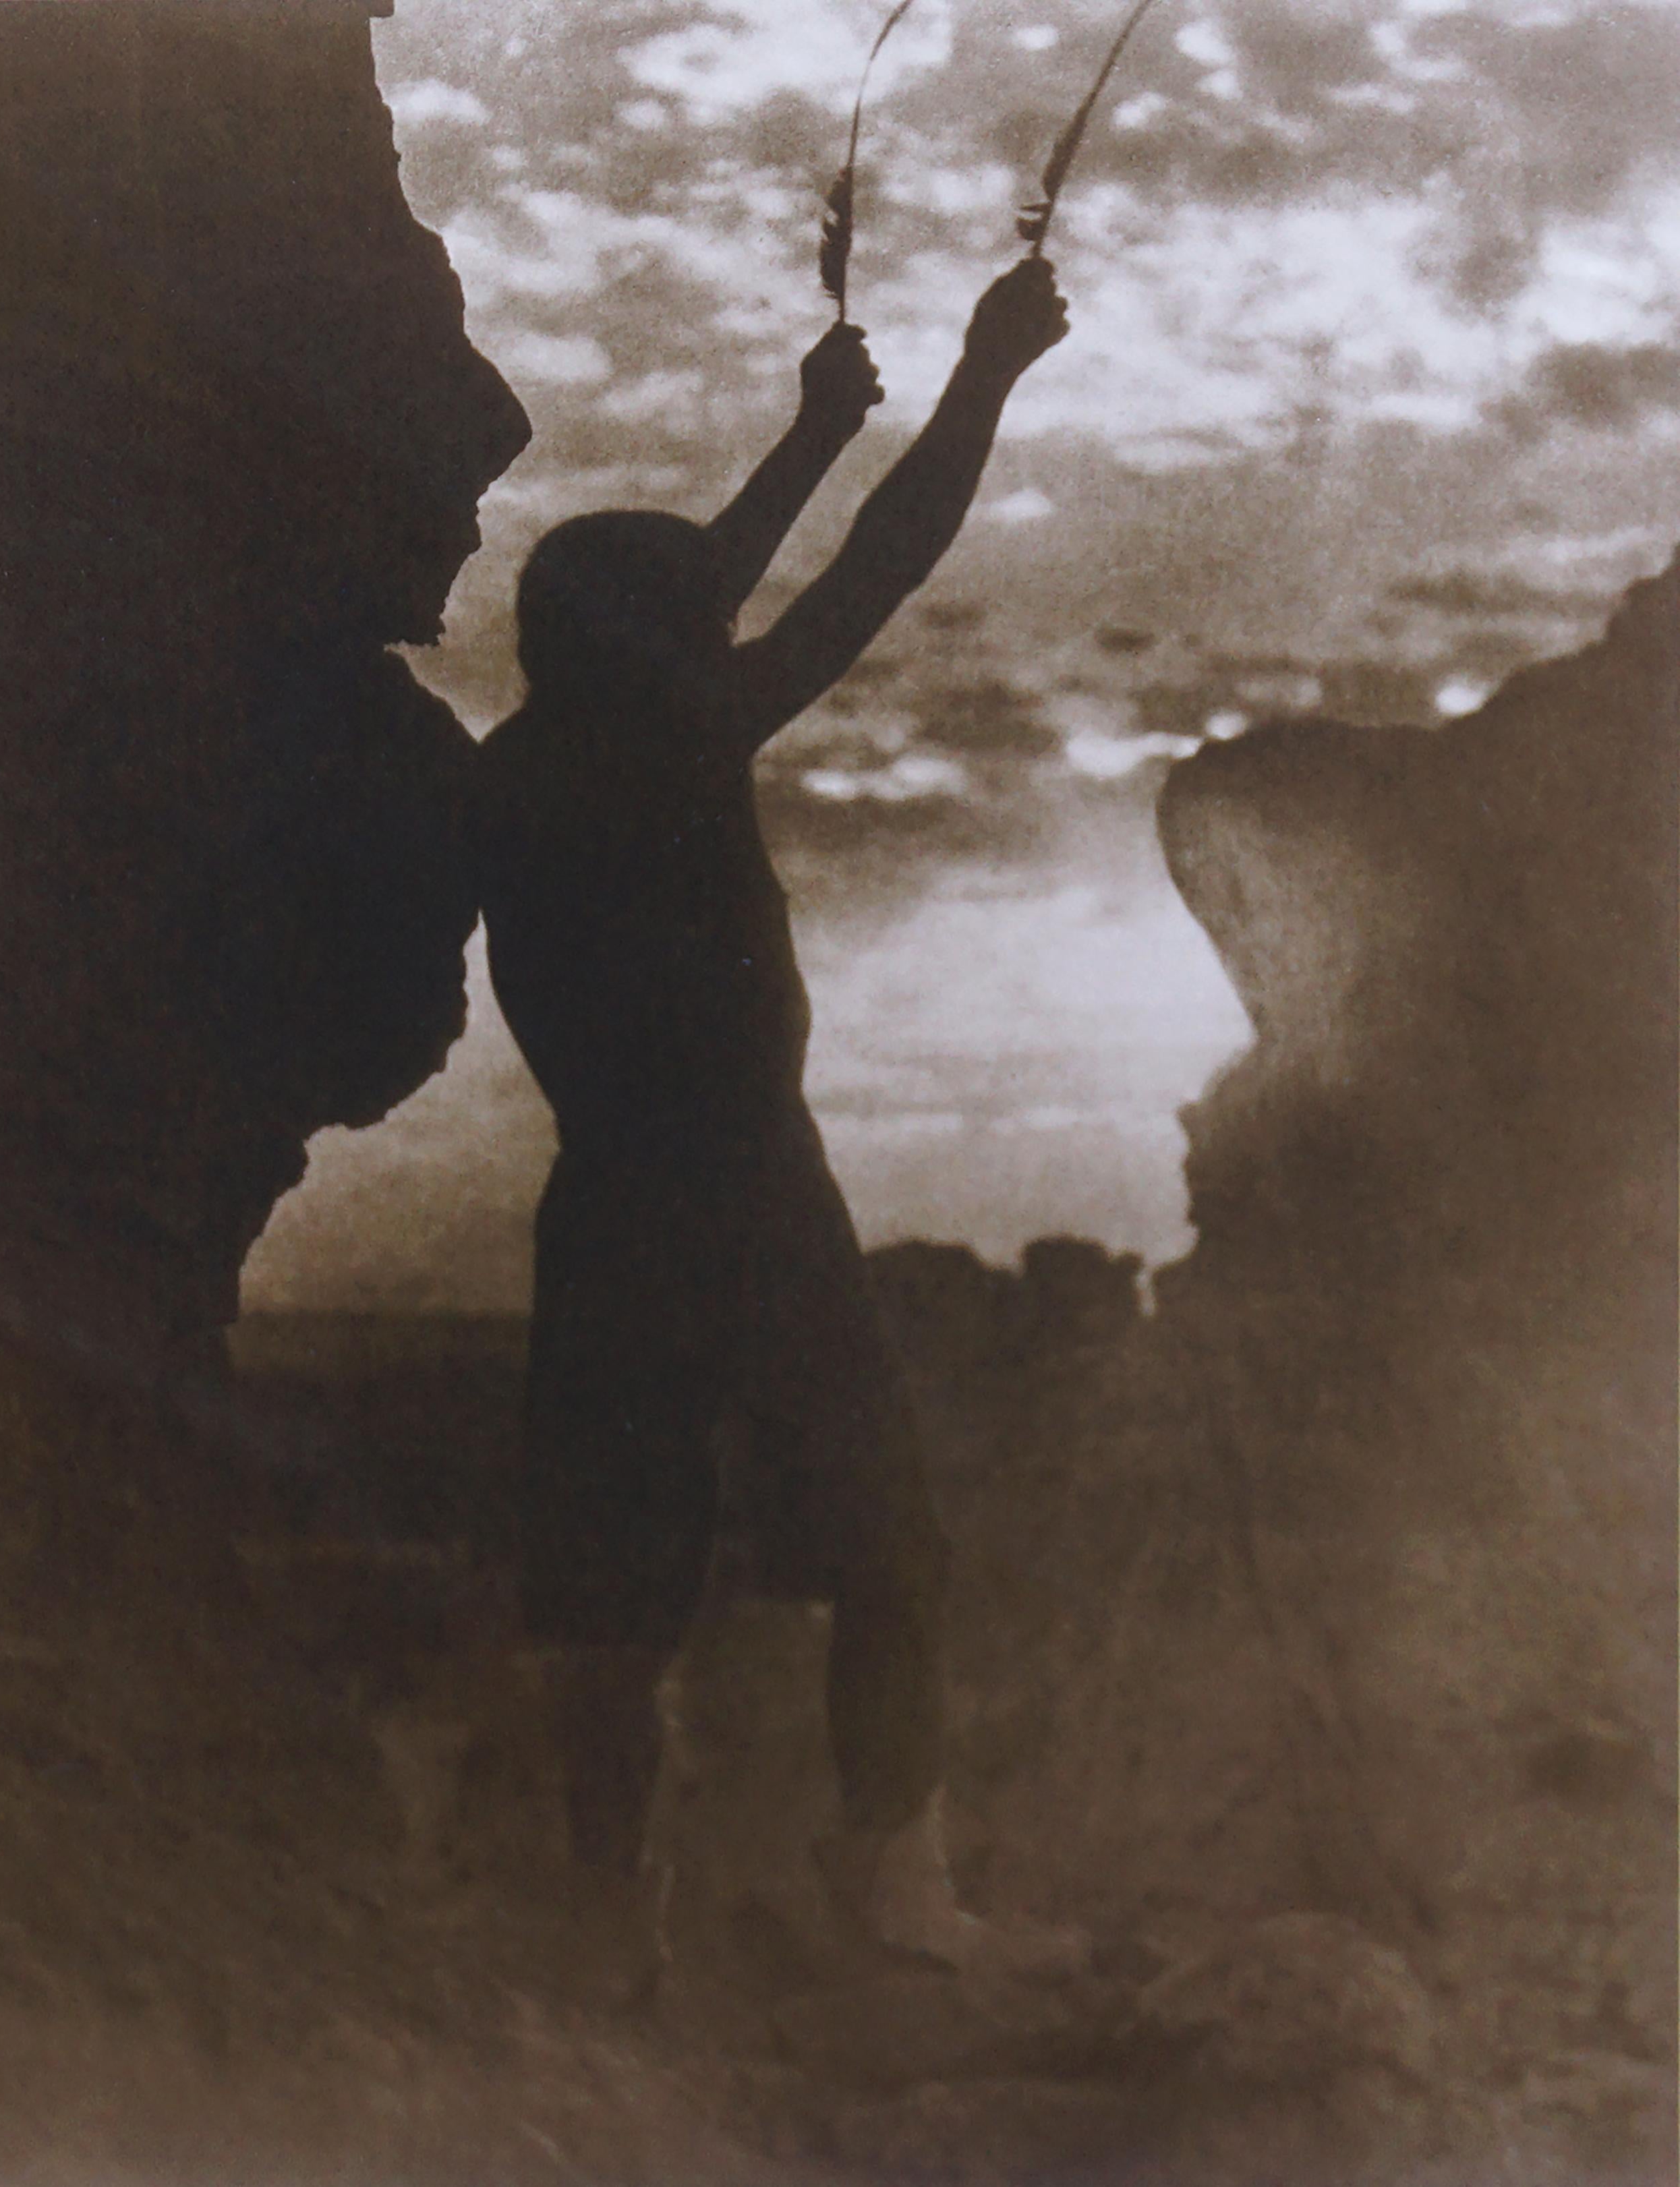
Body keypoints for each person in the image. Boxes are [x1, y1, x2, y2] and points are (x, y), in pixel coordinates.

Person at [472, 260, 1070, 1978]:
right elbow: (886, 565)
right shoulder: (678, 739)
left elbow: (707, 589)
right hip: (749, 1197)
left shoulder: (528, 761)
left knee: (611, 1587)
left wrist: (810, 432)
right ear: (660, 650)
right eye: (697, 616)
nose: (724, 622)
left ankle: (607, 1921)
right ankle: (894, 1894)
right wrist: (983, 376)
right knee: (892, 1537)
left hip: (606, 1207)